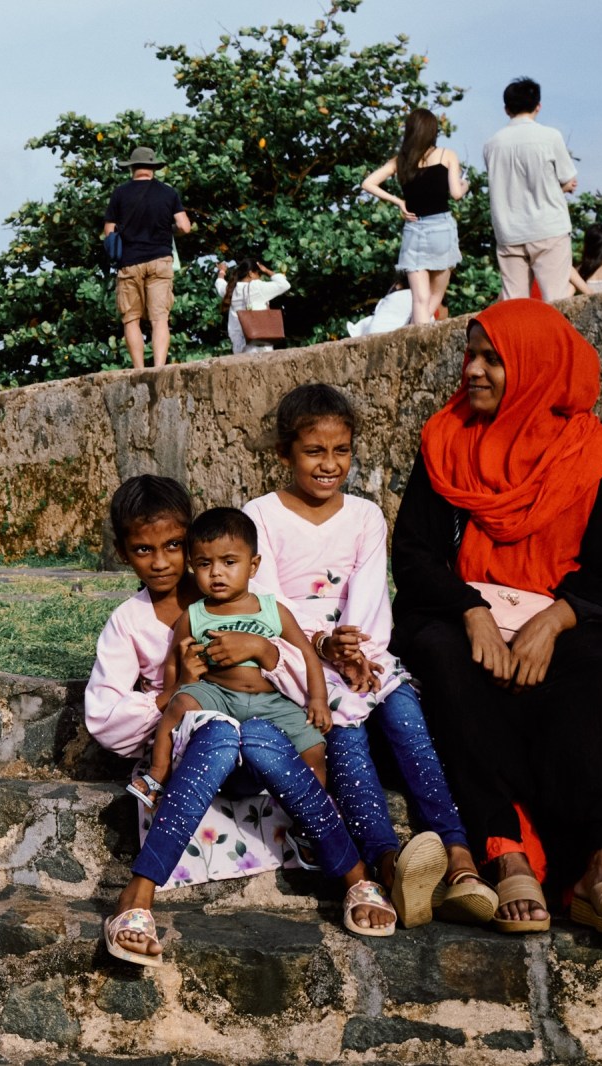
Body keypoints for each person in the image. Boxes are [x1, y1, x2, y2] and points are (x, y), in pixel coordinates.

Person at [390, 299, 602, 941]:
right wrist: (472, 610)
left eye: (493, 359)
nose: (473, 371)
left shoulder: (592, 457)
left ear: (537, 368)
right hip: (462, 613)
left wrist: (553, 621)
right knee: (447, 662)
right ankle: (505, 850)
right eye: (470, 355)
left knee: (593, 668)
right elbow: (415, 555)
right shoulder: (444, 443)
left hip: (558, 616)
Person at [92, 486, 397, 968]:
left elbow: (302, 670)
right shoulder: (130, 622)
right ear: (124, 553)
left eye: (174, 546)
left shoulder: (257, 604)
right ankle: (137, 898)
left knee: (258, 733)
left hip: (265, 757)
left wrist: (263, 653)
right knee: (218, 733)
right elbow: (104, 718)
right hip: (200, 761)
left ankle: (354, 876)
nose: (162, 561)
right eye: (143, 550)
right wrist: (172, 693)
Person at [243, 384, 497, 928]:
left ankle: (457, 854)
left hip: (361, 649)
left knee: (405, 715)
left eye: (341, 451)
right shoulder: (260, 515)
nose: (329, 464)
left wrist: (356, 648)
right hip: (295, 655)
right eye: (314, 452)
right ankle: (385, 858)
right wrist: (322, 647)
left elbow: (369, 595)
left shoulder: (364, 516)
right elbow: (267, 601)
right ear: (285, 454)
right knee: (346, 732)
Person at [133, 508, 331, 808]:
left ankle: (311, 816)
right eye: (204, 563)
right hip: (217, 694)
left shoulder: (272, 609)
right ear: (192, 566)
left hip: (270, 701)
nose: (216, 573)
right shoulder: (194, 615)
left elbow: (307, 654)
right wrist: (177, 688)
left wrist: (318, 699)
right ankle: (157, 776)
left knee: (314, 744)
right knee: (179, 705)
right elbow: (174, 658)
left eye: (228, 562)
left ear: (253, 566)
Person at [361, 108, 471, 324]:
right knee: (435, 296)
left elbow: (368, 183)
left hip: (414, 231)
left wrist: (398, 201)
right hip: (441, 229)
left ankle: (416, 340)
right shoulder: (446, 155)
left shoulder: (400, 161)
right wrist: (465, 184)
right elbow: (456, 194)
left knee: (419, 300)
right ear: (433, 131)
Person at [484, 77, 579, 302]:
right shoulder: (550, 136)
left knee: (515, 303)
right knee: (556, 300)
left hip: (509, 231)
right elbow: (568, 179)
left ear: (507, 109)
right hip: (549, 227)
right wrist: (562, 187)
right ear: (538, 106)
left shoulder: (492, 145)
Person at [102, 147, 193, 369]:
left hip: (130, 262)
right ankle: (159, 367)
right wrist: (169, 229)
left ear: (132, 168)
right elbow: (185, 226)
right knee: (159, 318)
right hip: (160, 260)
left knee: (131, 318)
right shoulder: (168, 193)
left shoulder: (120, 194)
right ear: (153, 168)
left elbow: (109, 232)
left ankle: (139, 369)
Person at [214, 251, 291, 353]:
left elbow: (219, 284)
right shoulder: (257, 287)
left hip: (240, 346)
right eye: (258, 274)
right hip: (261, 343)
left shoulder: (230, 290)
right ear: (250, 273)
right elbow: (285, 285)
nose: (259, 277)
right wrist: (267, 270)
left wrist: (222, 271)